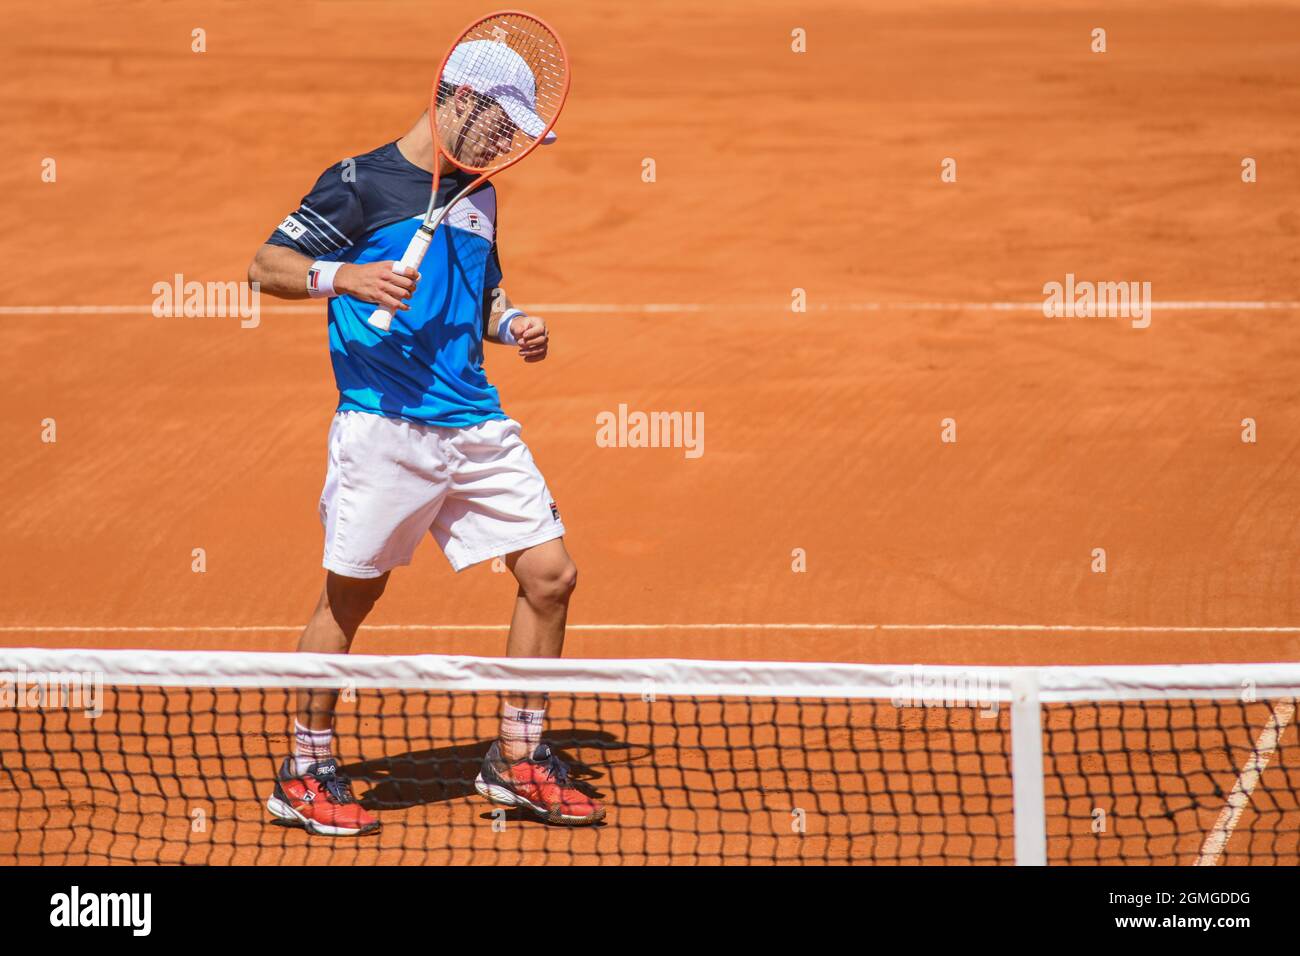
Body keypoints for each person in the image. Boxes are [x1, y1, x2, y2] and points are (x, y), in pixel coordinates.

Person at [246, 40, 603, 836]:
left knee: (551, 575)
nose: (506, 145)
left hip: (475, 421)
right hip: (383, 428)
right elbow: (264, 265)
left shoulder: (482, 196)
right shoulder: (359, 183)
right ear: (461, 99)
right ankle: (304, 773)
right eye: (501, 125)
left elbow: (482, 297)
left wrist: (514, 324)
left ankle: (517, 757)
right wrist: (341, 276)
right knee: (352, 596)